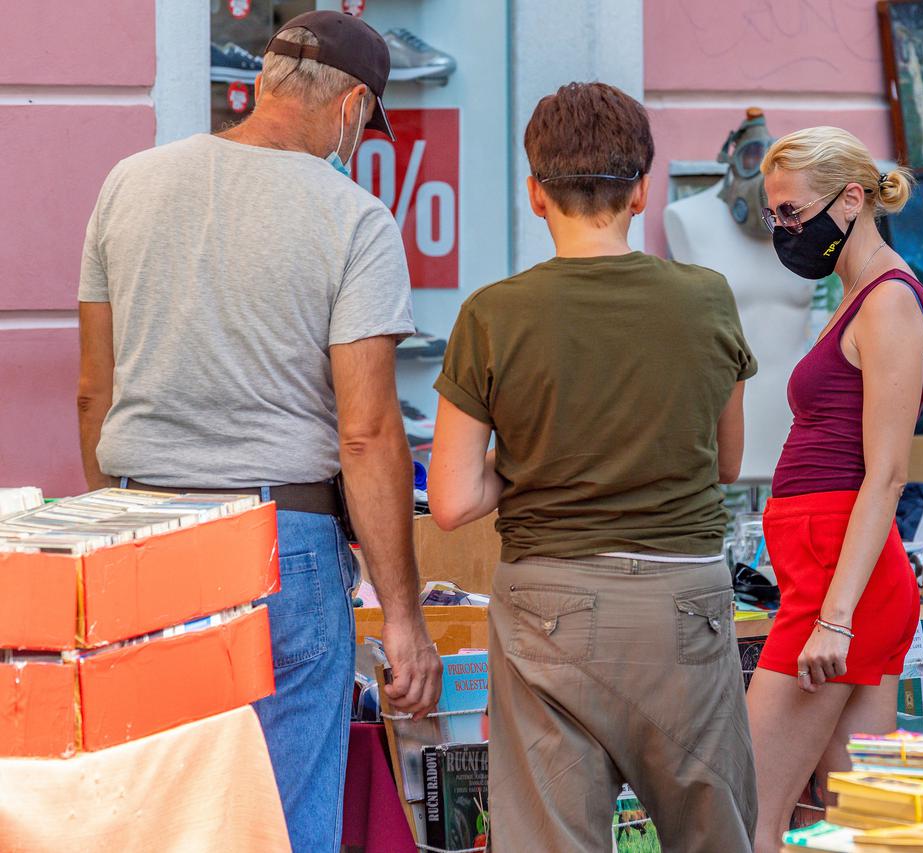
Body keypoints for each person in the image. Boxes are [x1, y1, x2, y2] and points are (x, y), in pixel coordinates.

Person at [76, 12, 442, 850]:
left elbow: (94, 391)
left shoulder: (128, 183)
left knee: (153, 804)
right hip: (281, 541)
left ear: (265, 80)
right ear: (353, 106)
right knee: (277, 813)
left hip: (139, 534)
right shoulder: (354, 219)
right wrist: (403, 616)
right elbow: (368, 433)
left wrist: (123, 520)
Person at [427, 82, 759, 851]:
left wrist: (532, 461)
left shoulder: (492, 315)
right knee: (713, 834)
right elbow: (728, 460)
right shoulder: (706, 299)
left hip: (549, 599)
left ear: (536, 194)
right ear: (642, 189)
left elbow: (448, 500)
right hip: (684, 600)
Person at [745, 126, 923, 850]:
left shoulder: (887, 301)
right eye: (775, 216)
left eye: (791, 213)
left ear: (852, 198)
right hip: (832, 575)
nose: (783, 231)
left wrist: (834, 615)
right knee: (851, 826)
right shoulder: (859, 294)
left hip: (838, 581)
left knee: (748, 815)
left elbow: (887, 473)